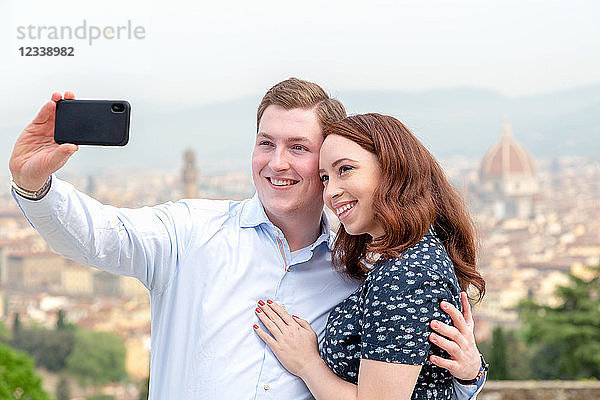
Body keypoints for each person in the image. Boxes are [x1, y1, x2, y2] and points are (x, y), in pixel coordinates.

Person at [9, 79, 486, 399]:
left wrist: (468, 374)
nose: (276, 162)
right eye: (266, 143)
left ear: (327, 164)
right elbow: (95, 236)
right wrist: (35, 188)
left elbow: (400, 383)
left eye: (298, 148)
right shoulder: (190, 233)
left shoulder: (359, 269)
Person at [252, 113, 487, 399]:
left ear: (392, 169)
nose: (331, 192)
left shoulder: (406, 274)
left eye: (345, 170)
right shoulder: (402, 258)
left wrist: (307, 363)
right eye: (325, 178)